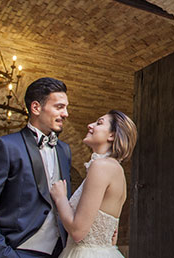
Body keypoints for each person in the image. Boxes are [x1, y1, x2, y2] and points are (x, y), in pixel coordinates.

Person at [0, 77, 71, 258]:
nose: (66, 114)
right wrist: (2, 254)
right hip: (15, 250)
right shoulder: (5, 146)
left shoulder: (64, 150)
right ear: (36, 108)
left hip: (58, 252)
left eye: (66, 107)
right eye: (59, 107)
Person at [50, 110, 137, 258]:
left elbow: (78, 232)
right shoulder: (117, 170)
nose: (90, 125)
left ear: (112, 135)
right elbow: (111, 235)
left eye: (99, 123)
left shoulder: (100, 166)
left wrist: (60, 198)